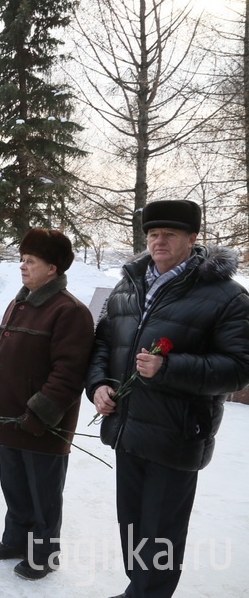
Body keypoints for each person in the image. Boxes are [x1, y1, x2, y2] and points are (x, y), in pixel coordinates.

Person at [87, 200, 249, 598]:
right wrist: (98, 386)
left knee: (160, 531)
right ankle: (137, 589)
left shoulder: (227, 296)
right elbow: (103, 344)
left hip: (176, 432)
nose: (159, 241)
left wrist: (170, 367)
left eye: (170, 234)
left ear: (193, 239)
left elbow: (239, 368)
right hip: (127, 428)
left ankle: (149, 593)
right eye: (153, 234)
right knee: (133, 525)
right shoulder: (129, 285)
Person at [0, 229, 95, 581]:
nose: (22, 267)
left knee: (43, 493)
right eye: (22, 260)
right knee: (14, 485)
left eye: (31, 261)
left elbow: (70, 372)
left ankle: (44, 554)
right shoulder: (20, 302)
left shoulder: (69, 311)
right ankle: (16, 540)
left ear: (53, 269)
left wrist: (40, 412)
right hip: (9, 416)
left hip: (41, 422)